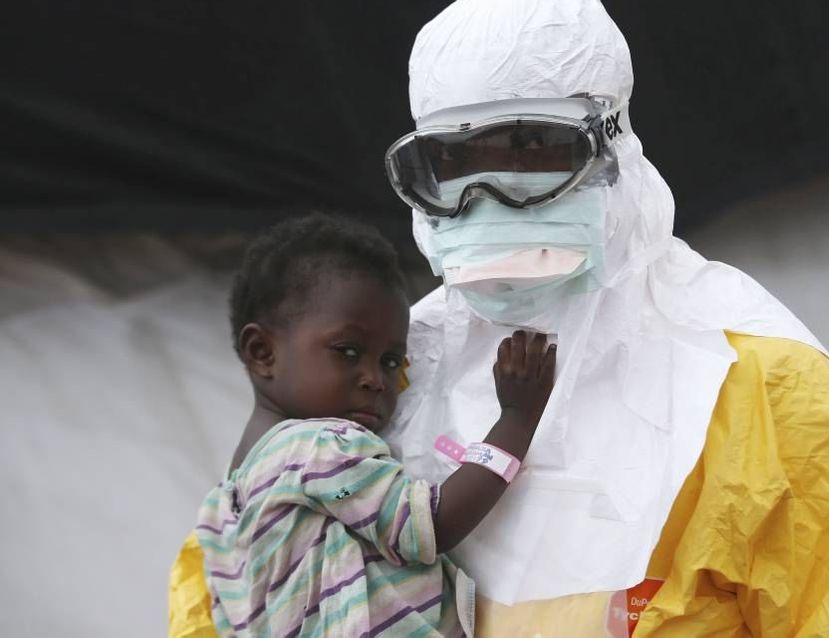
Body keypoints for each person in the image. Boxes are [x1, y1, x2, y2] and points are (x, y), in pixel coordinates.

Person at [379, 0, 829, 635]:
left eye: (531, 149)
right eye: (452, 166)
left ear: (613, 148)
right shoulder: (395, 367)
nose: (488, 201)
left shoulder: (766, 390)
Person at [170, 213, 555, 637]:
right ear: (262, 352)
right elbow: (431, 524)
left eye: (391, 361)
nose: (375, 378)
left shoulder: (225, 504)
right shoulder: (320, 446)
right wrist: (516, 420)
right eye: (348, 351)